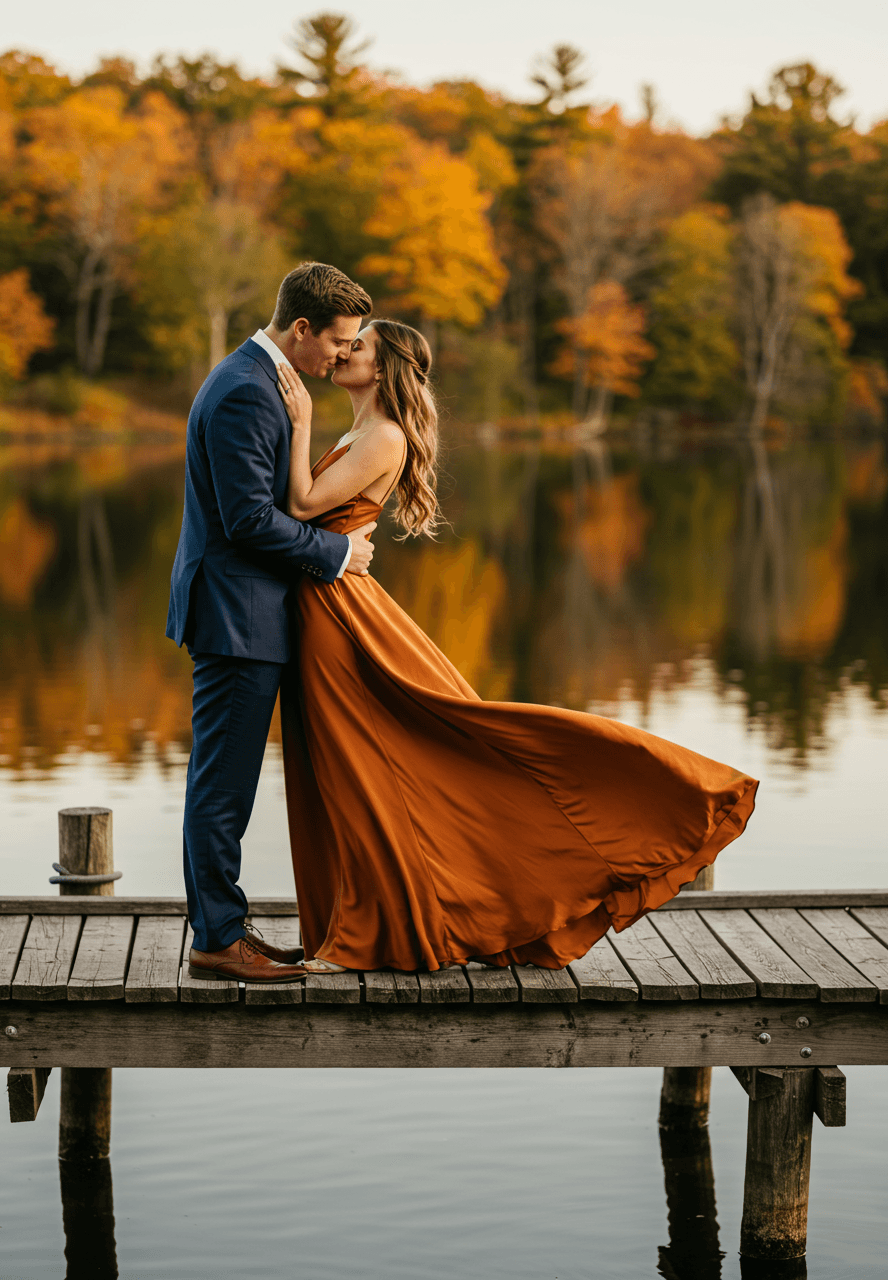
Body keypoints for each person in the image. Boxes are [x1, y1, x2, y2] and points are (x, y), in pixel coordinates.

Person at [275, 319, 759, 975]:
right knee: (349, 765)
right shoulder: (358, 432)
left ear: (384, 368)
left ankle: (379, 933)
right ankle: (371, 923)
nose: (339, 353)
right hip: (324, 604)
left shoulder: (382, 436)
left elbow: (301, 505)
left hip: (336, 616)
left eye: (355, 347)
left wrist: (295, 416)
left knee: (365, 761)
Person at [166, 262, 378, 984]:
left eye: (353, 347)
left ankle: (225, 925)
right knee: (221, 786)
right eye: (339, 343)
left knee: (226, 784)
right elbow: (249, 521)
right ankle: (218, 941)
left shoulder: (260, 385)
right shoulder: (246, 394)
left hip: (248, 612)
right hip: (236, 615)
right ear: (301, 328)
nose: (343, 357)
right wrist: (340, 551)